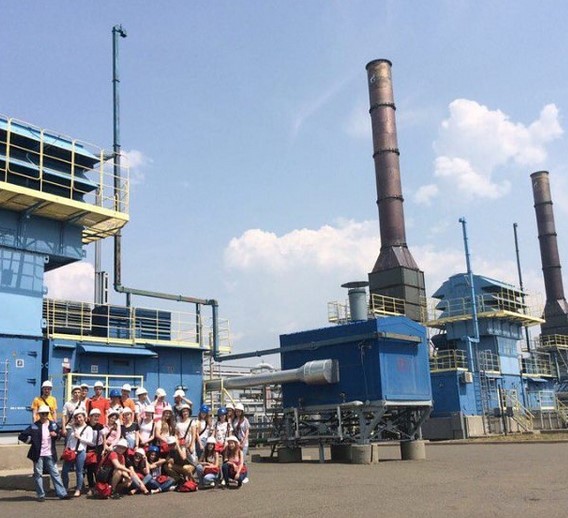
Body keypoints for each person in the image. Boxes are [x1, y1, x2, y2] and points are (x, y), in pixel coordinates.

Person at [18, 404, 69, 501]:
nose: (44, 415)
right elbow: (21, 436)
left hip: (50, 453)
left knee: (55, 473)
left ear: (48, 414)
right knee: (38, 474)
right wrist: (31, 441)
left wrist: (56, 435)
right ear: (39, 414)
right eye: (42, 414)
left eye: (46, 413)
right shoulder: (34, 426)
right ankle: (40, 495)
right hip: (37, 455)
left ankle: (62, 493)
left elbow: (59, 435)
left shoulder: (53, 424)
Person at [61, 408, 93, 497]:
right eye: (76, 418)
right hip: (70, 451)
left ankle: (78, 489)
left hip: (80, 451)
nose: (79, 419)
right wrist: (66, 449)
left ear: (84, 417)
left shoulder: (88, 428)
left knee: (79, 471)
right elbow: (69, 440)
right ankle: (65, 487)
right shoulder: (73, 428)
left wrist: (80, 438)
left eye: (80, 417)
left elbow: (90, 442)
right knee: (64, 471)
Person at [85, 408, 107, 496]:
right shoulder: (86, 426)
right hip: (89, 448)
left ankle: (99, 487)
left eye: (98, 416)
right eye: (95, 416)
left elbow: (104, 437)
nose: (96, 418)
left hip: (99, 448)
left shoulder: (101, 426)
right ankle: (91, 488)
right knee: (90, 469)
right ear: (90, 417)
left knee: (97, 469)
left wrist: (104, 448)